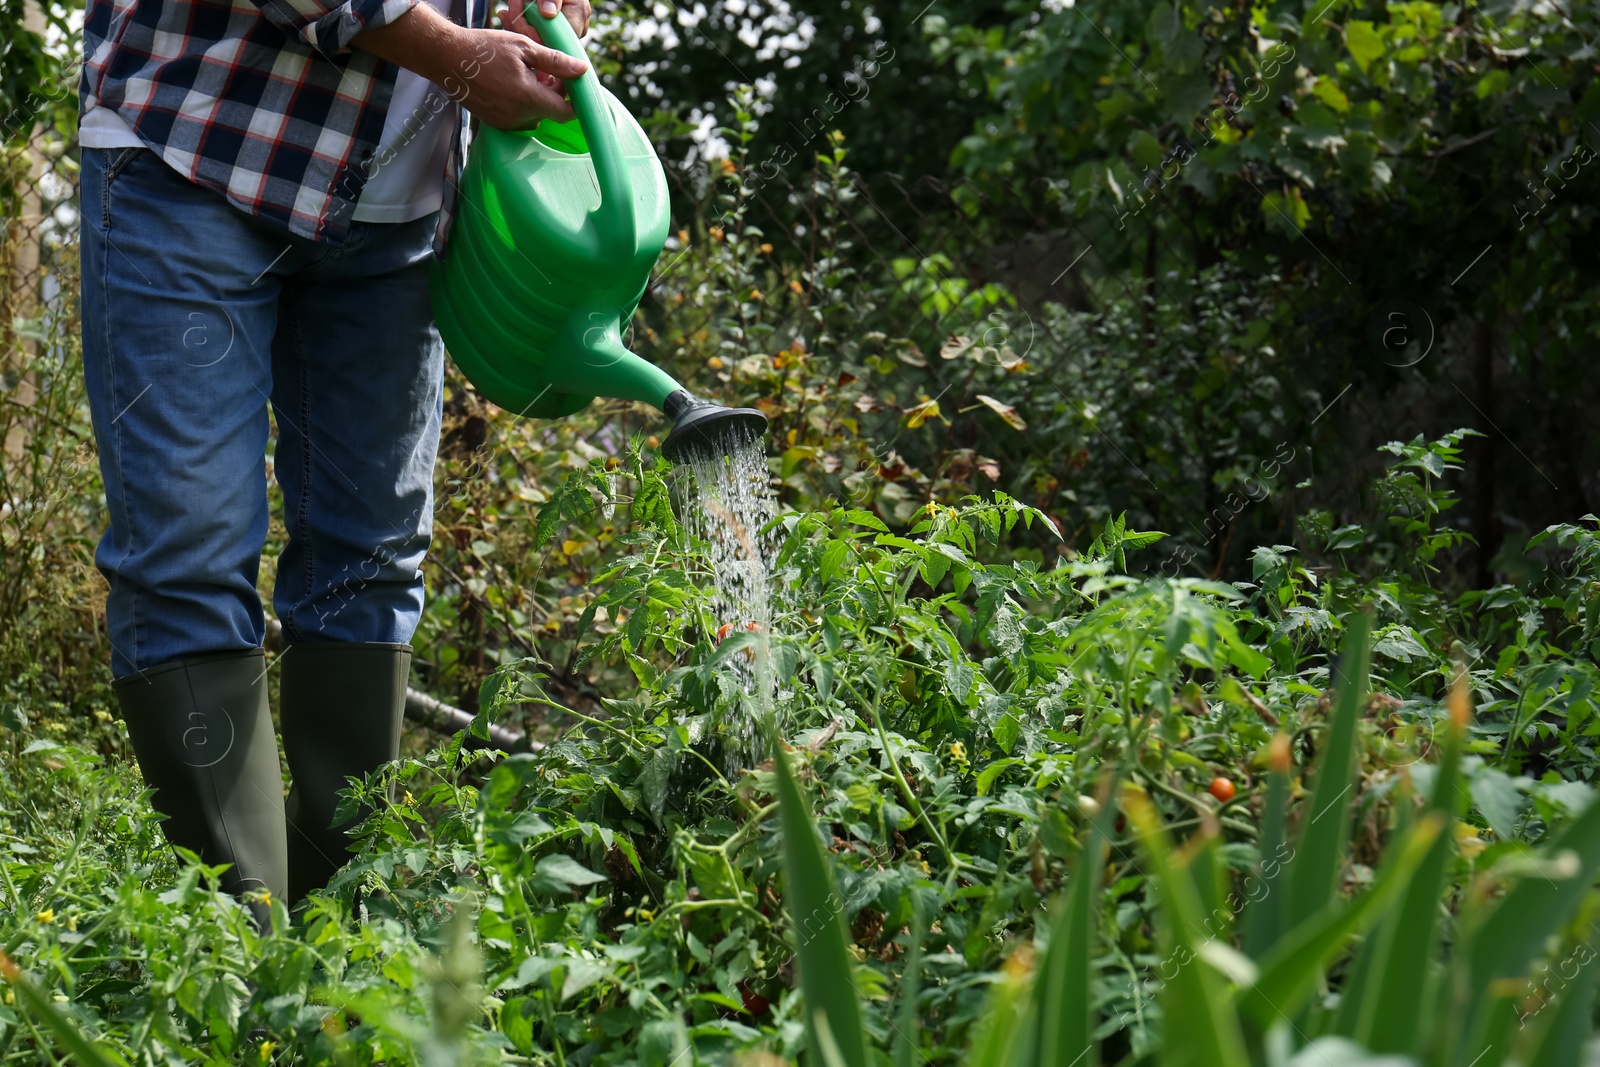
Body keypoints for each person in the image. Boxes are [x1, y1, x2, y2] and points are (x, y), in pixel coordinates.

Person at [79, 0, 590, 924]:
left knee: (368, 566)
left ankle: (339, 954)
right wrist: (453, 53)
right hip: (201, 142)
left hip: (398, 202)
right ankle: (240, 961)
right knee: (186, 555)